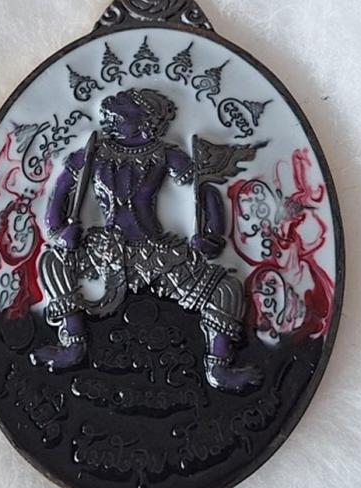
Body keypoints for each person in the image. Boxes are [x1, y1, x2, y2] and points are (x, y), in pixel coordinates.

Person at [30, 88, 261, 393]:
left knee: (227, 288)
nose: (110, 120)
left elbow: (203, 189)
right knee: (52, 260)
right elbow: (61, 191)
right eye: (109, 116)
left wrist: (212, 236)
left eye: (121, 116)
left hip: (155, 251)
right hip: (103, 249)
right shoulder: (93, 153)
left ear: (146, 120)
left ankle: (219, 367)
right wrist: (60, 232)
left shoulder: (165, 154)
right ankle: (72, 344)